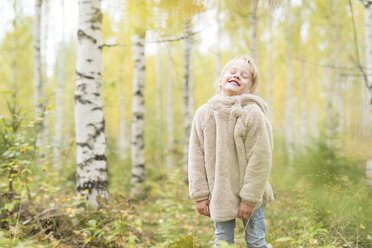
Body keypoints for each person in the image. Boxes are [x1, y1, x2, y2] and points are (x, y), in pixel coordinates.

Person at [188, 55, 274, 247]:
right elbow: (196, 157)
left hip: (251, 193)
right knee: (223, 242)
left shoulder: (252, 113)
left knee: (256, 241)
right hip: (219, 193)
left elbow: (260, 157)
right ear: (220, 80)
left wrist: (250, 199)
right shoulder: (204, 114)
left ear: (250, 87)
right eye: (232, 72)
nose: (237, 76)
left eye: (244, 76)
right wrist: (200, 195)